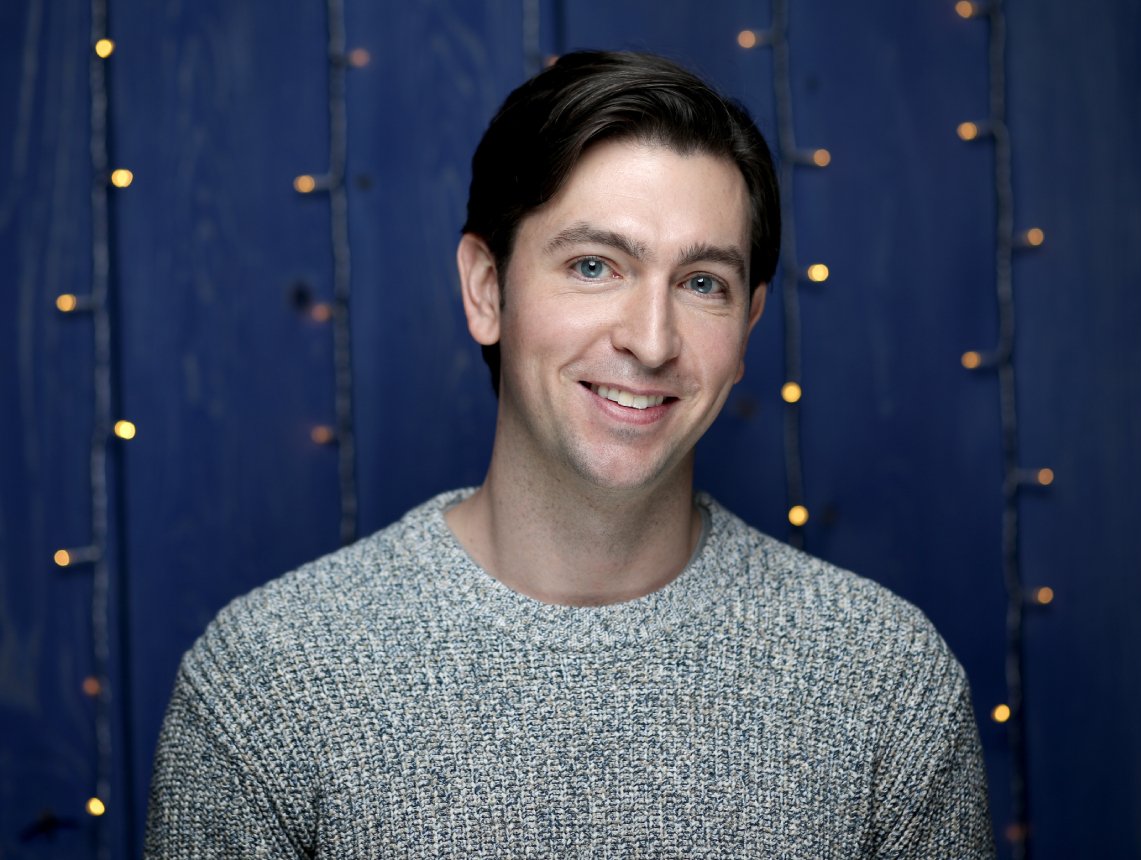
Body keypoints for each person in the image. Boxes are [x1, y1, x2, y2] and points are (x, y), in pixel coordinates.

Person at [145, 51, 994, 857]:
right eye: (595, 265)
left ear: (748, 328)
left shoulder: (884, 680)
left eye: (703, 283)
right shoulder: (269, 681)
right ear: (487, 291)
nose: (651, 340)